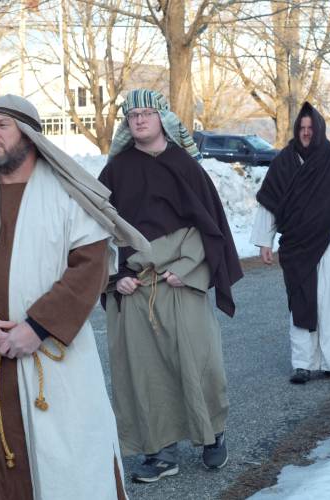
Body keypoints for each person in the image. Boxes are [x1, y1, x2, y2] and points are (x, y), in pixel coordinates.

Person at [0, 95, 149, 499]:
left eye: (2, 125)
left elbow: (88, 267)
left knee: (68, 462)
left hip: (50, 358)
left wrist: (38, 327)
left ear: (30, 134)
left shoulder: (66, 196)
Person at [99, 89, 243, 483]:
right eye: (132, 117)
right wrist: (115, 277)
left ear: (163, 117)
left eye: (146, 113)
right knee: (144, 374)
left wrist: (189, 268)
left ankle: (212, 435)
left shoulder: (186, 166)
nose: (140, 121)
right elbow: (96, 233)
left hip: (180, 281)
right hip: (135, 287)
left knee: (200, 362)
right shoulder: (115, 172)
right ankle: (160, 452)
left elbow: (210, 228)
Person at [250, 101, 330, 384]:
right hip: (297, 248)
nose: (306, 133)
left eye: (310, 128)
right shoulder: (284, 162)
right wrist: (264, 241)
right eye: (302, 128)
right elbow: (269, 203)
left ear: (319, 130)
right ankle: (302, 364)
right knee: (301, 303)